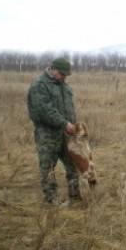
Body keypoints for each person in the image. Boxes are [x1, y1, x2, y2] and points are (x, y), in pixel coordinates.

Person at [27, 57, 79, 204]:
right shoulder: (40, 85)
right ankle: (52, 201)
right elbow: (45, 111)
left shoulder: (64, 85)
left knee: (73, 165)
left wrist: (73, 124)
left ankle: (75, 197)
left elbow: (69, 108)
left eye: (66, 75)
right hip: (47, 135)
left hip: (66, 134)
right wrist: (64, 123)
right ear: (53, 69)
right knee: (47, 168)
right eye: (62, 74)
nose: (64, 77)